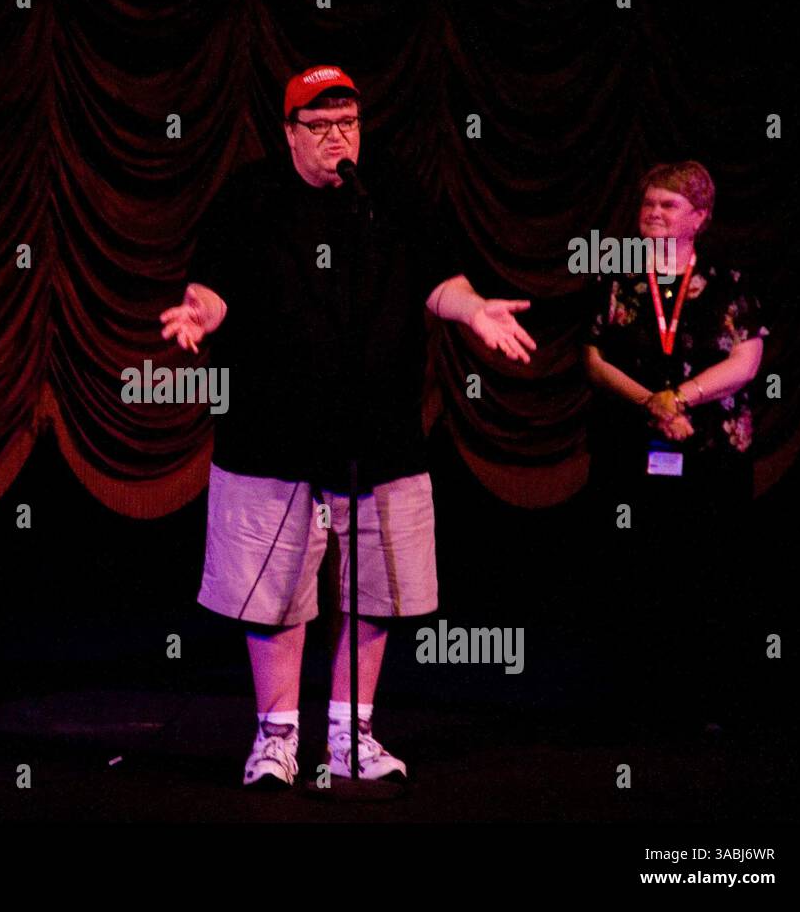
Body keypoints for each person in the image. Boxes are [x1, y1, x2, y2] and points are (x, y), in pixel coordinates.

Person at [161, 65, 536, 787]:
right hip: (272, 434)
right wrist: (203, 313)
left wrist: (474, 310)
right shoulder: (250, 196)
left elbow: (442, 280)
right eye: (321, 125)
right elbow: (211, 286)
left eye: (348, 123)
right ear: (290, 132)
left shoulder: (388, 191)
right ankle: (276, 739)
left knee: (376, 591)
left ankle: (351, 735)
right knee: (273, 595)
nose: (338, 137)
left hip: (379, 432)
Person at [583, 160, 766, 732]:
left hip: (710, 452)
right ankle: (632, 702)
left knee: (707, 574)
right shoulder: (615, 279)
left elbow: (747, 359)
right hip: (631, 450)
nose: (655, 214)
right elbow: (593, 358)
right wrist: (650, 403)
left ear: (701, 218)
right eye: (649, 204)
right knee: (633, 574)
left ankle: (707, 704)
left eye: (669, 206)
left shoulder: (729, 282)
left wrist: (679, 399)